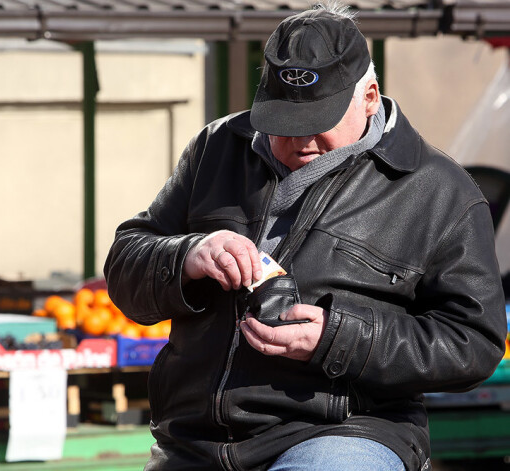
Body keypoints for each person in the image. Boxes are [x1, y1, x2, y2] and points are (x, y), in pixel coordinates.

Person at [103, 2, 508, 470]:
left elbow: (474, 343)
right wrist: (188, 255)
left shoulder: (441, 192)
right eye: (282, 124)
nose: (301, 142)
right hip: (193, 440)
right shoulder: (217, 148)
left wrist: (339, 339)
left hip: (346, 433)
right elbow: (125, 264)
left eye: (318, 123)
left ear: (370, 97)